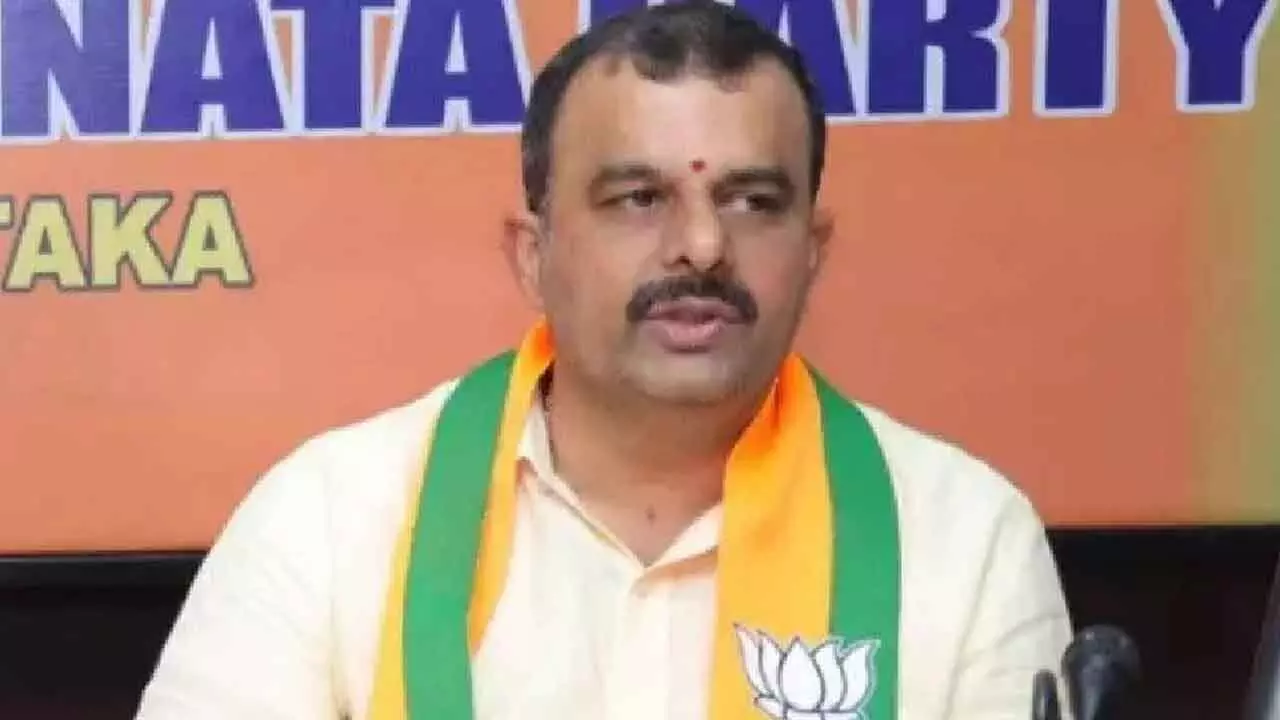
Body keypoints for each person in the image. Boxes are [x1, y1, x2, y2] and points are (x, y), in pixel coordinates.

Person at [135, 2, 1071, 718]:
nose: (702, 246)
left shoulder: (966, 541)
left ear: (813, 251)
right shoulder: (333, 517)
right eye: (637, 198)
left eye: (753, 201)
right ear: (532, 254)